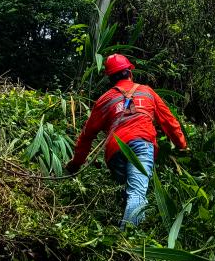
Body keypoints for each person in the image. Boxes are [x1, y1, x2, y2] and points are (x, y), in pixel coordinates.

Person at [65, 54, 187, 226]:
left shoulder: (105, 99)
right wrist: (182, 145)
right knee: (137, 192)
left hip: (115, 152)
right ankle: (128, 240)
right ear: (130, 72)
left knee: (130, 192)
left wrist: (76, 163)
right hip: (141, 144)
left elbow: (87, 135)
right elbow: (169, 122)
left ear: (110, 78)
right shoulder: (147, 92)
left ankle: (131, 226)